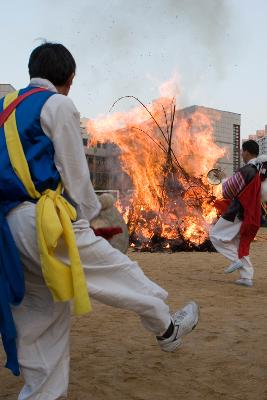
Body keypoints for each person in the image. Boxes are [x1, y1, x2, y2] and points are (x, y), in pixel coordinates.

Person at [0, 42, 199, 400]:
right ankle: (167, 327)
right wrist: (96, 214)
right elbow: (76, 176)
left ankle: (41, 393)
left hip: (7, 227)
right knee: (119, 272)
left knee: (40, 312)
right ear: (69, 79)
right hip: (43, 223)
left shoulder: (3, 108)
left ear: (33, 70)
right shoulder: (57, 104)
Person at [210, 140, 261, 288]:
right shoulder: (258, 170)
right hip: (250, 213)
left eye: (242, 151)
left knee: (215, 235)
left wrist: (223, 180)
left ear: (246, 151)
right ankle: (246, 277)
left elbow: (227, 190)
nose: (241, 154)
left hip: (237, 211)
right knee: (239, 243)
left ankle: (235, 260)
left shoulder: (247, 170)